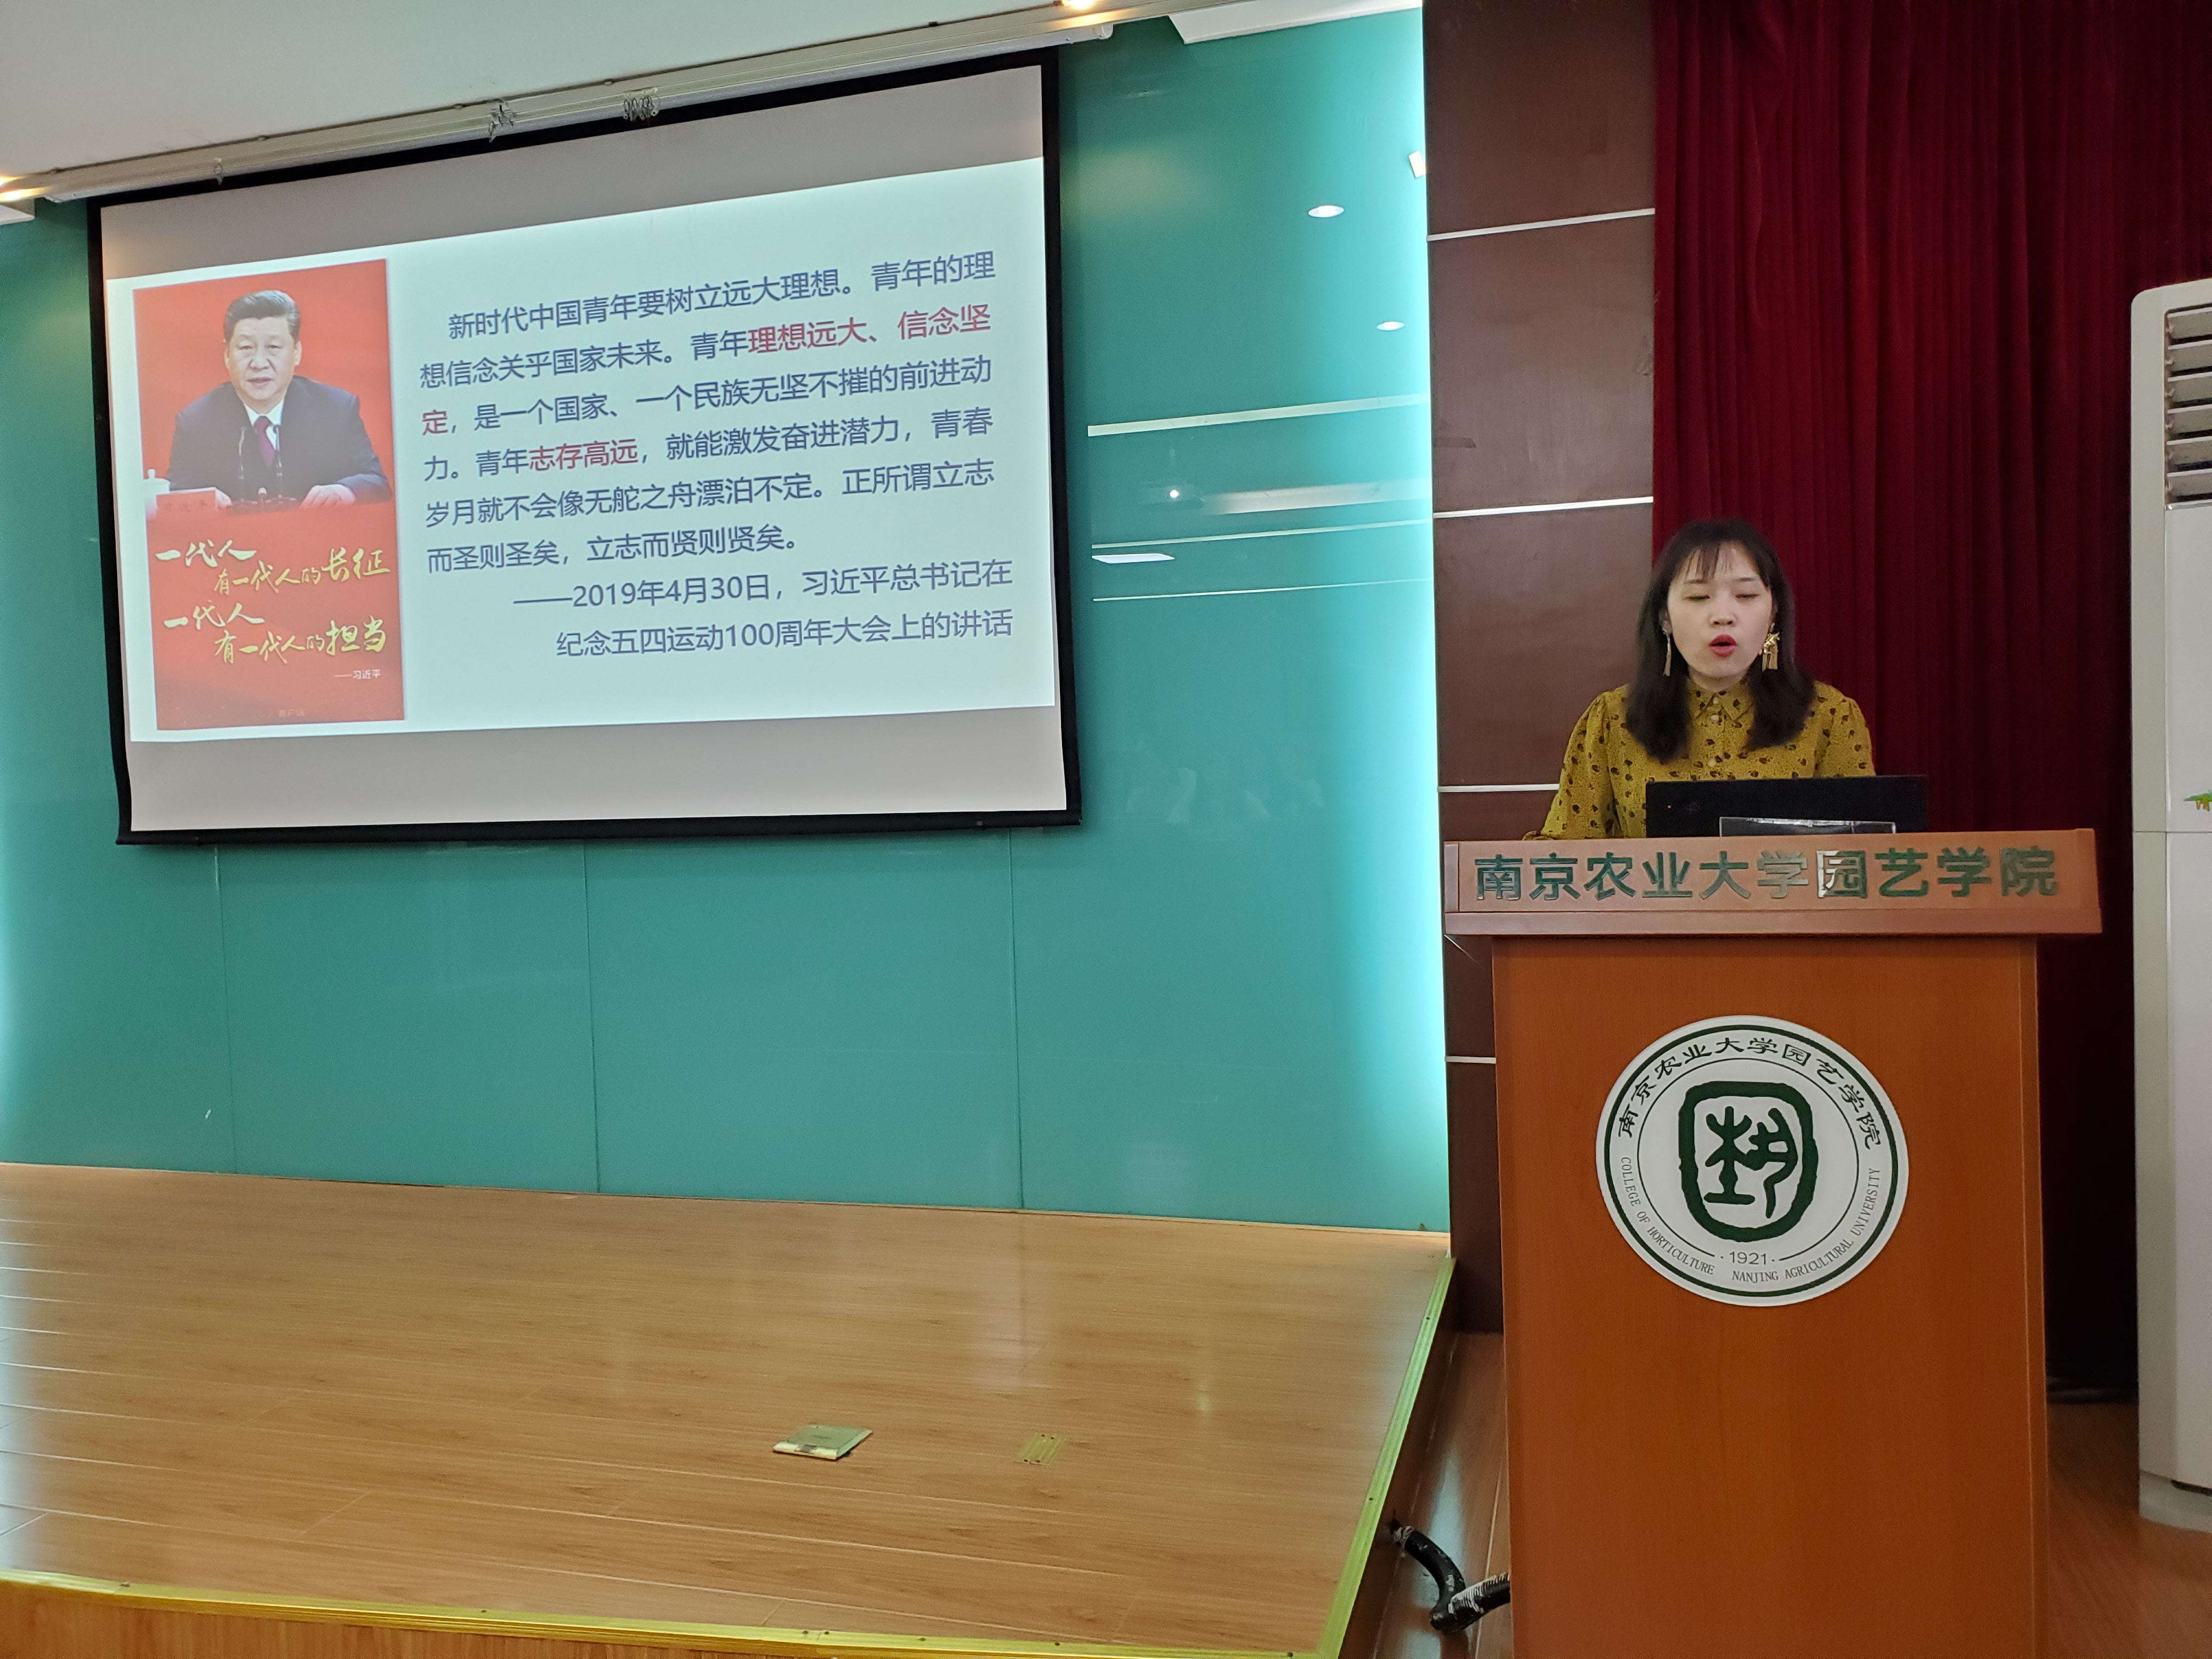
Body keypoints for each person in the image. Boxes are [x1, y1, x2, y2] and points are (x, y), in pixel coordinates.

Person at [1535, 518, 1872, 838]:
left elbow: (1862, 853)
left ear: (1774, 614)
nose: (1723, 616)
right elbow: (1563, 857)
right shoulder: (1612, 720)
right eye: (1698, 597)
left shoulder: (1829, 717)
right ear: (1665, 618)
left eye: (1745, 596)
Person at [164, 290, 390, 509]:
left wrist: (344, 491)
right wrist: (198, 501)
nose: (259, 363)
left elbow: (376, 482)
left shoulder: (336, 408)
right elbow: (175, 494)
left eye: (273, 347)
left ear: (296, 352)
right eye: (246, 348)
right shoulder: (196, 422)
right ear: (227, 356)